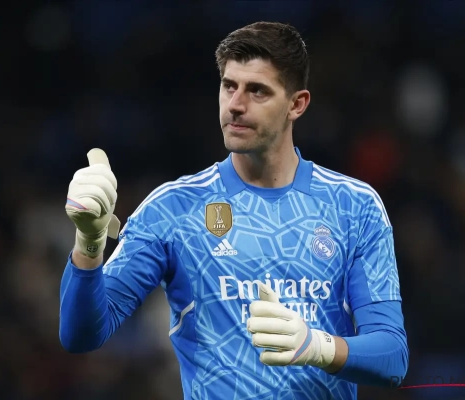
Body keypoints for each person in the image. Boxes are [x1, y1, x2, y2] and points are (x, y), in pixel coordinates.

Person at [60, 21, 409, 399]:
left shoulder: (354, 207)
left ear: (297, 104)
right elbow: (80, 335)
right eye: (229, 86)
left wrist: (317, 347)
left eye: (257, 91)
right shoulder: (173, 209)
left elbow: (392, 356)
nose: (236, 105)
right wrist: (89, 241)